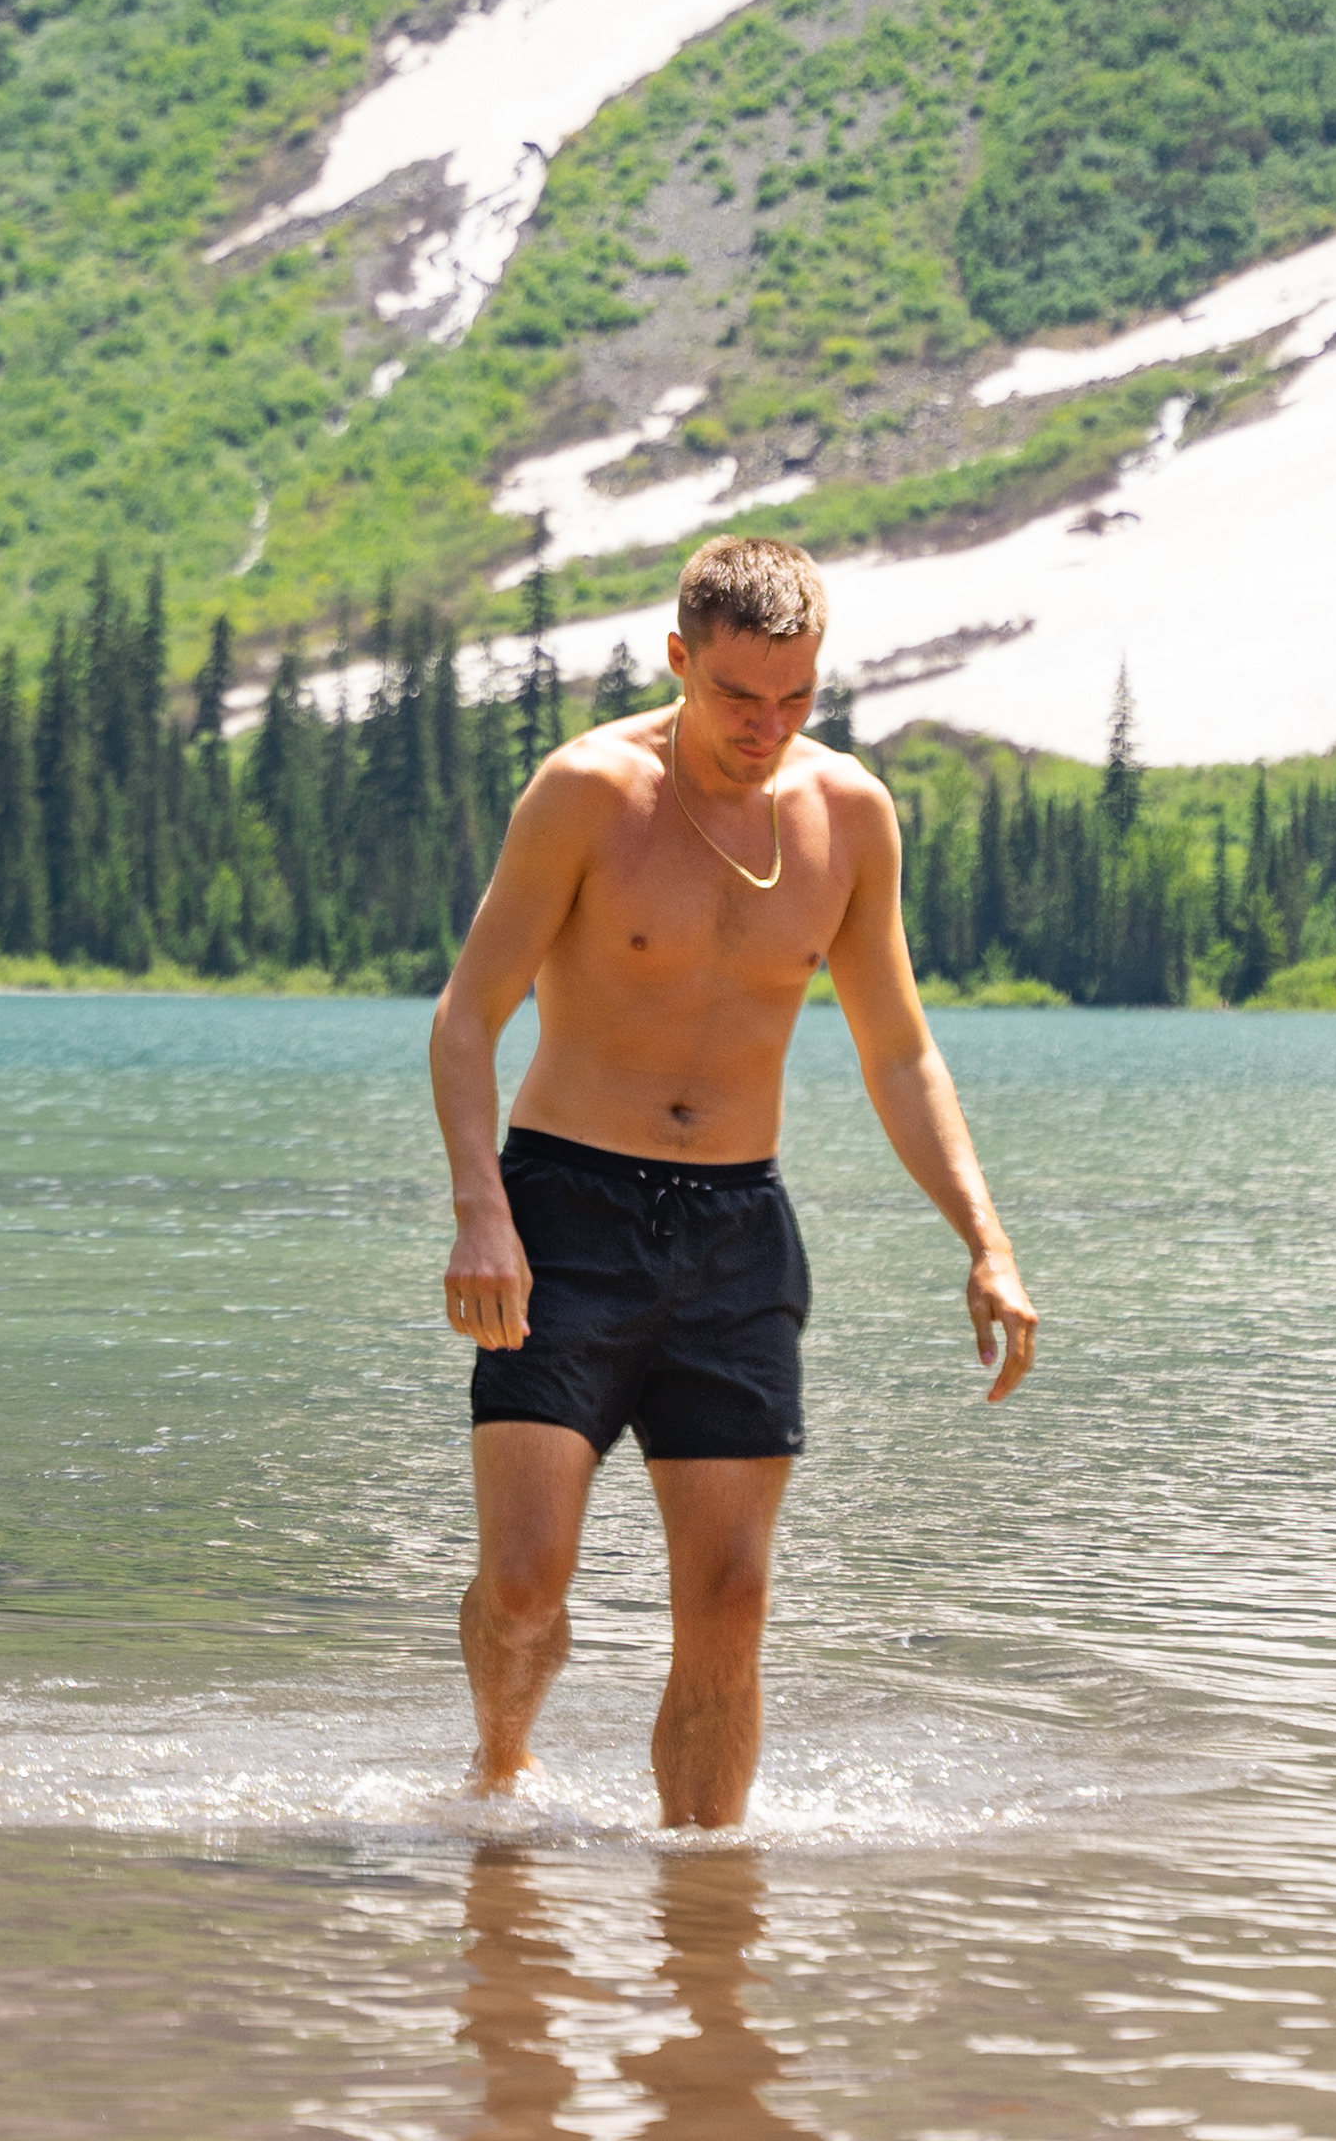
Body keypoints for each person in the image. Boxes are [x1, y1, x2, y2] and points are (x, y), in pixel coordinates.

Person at [428, 532, 1038, 1828]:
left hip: (736, 1234)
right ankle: (496, 1767)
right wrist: (483, 1209)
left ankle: (705, 1913)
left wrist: (985, 1240)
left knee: (730, 1599)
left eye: (795, 698)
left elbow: (899, 1049)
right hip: (564, 1216)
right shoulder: (587, 791)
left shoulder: (850, 817)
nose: (767, 727)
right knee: (529, 1583)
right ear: (677, 659)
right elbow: (467, 1016)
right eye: (736, 696)